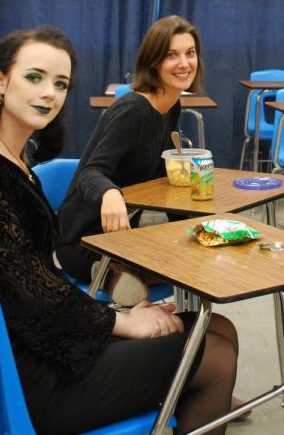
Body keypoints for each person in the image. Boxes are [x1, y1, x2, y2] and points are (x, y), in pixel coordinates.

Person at [0, 26, 238, 434]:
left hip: (33, 339)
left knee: (216, 327)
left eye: (60, 84)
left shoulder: (13, 157)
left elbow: (37, 280)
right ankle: (200, 394)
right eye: (34, 77)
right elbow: (26, 285)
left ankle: (196, 396)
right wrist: (123, 323)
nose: (49, 93)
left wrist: (114, 312)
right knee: (213, 356)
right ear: (0, 81)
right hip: (20, 374)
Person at [56, 15, 204, 305]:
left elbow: (164, 173)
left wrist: (192, 230)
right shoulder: (133, 111)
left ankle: (129, 276)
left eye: (190, 53)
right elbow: (90, 172)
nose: (184, 63)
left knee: (195, 260)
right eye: (172, 55)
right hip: (83, 242)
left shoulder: (172, 105)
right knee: (181, 267)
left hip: (121, 239)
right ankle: (115, 277)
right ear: (154, 62)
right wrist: (110, 192)